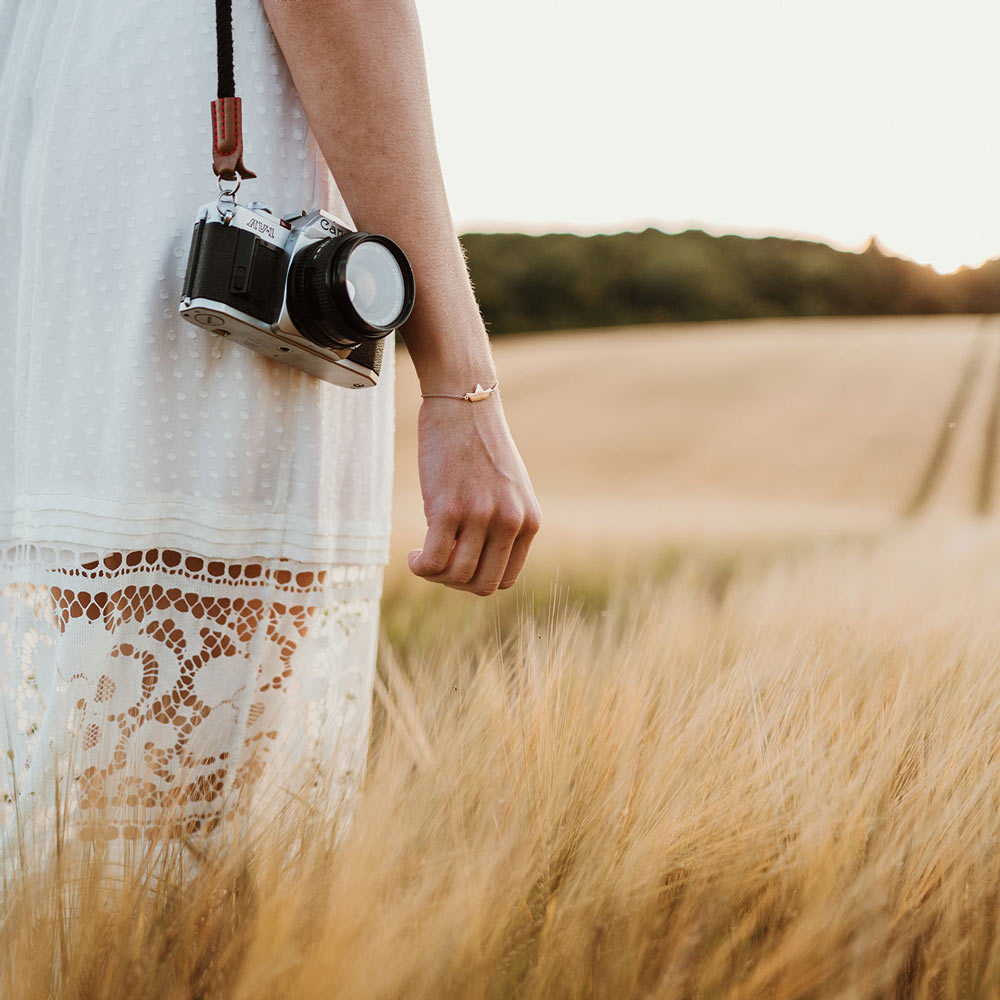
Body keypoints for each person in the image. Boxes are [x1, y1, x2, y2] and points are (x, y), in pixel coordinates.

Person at [0, 0, 539, 858]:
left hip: (65, 167)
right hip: (182, 168)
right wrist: (460, 387)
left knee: (92, 799)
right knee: (198, 849)